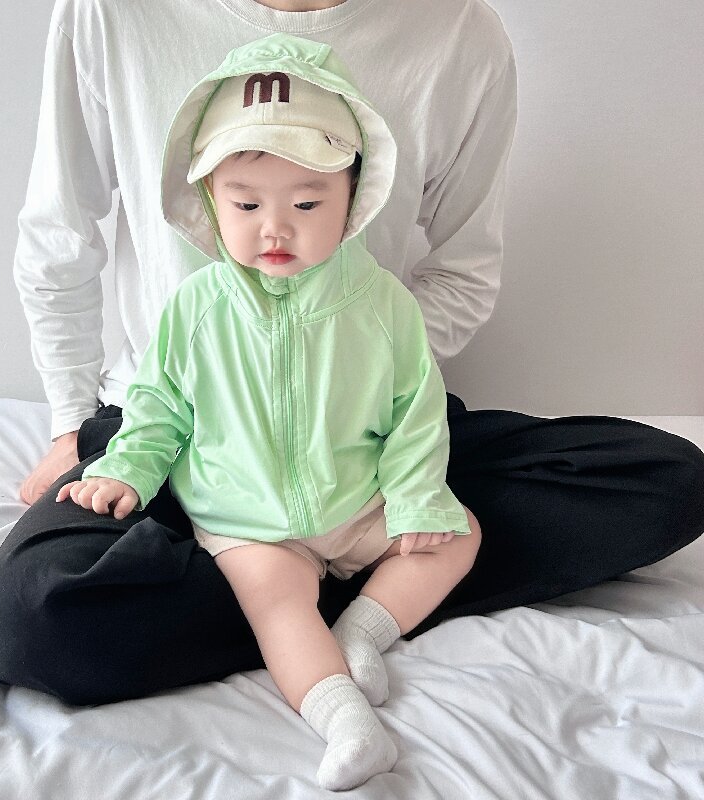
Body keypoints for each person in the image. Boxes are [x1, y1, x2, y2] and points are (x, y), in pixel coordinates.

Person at [0, 0, 704, 711]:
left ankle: (316, 594)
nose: (275, 225)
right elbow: (60, 238)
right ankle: (323, 590)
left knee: (668, 479)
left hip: (370, 436)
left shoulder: (458, 30)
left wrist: (365, 372)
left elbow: (463, 271)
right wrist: (71, 421)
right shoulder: (110, 11)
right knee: (27, 625)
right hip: (175, 429)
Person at [53, 40, 479, 788]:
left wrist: (414, 499)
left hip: (358, 499)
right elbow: (158, 406)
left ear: (354, 197)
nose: (274, 228)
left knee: (458, 533)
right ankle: (348, 723)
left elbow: (416, 411)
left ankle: (361, 633)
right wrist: (126, 470)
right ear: (209, 202)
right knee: (276, 605)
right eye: (246, 205)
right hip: (247, 516)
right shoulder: (195, 306)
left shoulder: (383, 305)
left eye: (306, 204)